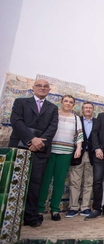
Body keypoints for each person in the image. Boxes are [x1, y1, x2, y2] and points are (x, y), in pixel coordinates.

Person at [8, 79, 58, 227]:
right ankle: (11, 216)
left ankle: (30, 216)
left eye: (45, 87)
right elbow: (16, 121)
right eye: (39, 86)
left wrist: (39, 142)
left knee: (36, 183)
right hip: (20, 146)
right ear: (33, 88)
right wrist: (31, 139)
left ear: (49, 90)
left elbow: (52, 127)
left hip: (40, 149)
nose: (42, 88)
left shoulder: (52, 108)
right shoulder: (21, 102)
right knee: (15, 181)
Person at [38, 95, 83, 221]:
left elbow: (79, 134)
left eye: (71, 102)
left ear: (73, 105)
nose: (68, 104)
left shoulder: (75, 118)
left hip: (66, 152)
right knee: (45, 181)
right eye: (66, 101)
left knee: (59, 182)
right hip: (50, 151)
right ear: (61, 102)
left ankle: (55, 210)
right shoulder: (54, 114)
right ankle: (39, 210)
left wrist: (78, 148)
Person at [65, 101, 97, 218]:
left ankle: (85, 207)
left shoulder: (97, 122)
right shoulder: (76, 120)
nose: (88, 109)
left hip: (91, 155)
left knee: (89, 182)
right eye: (86, 108)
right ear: (82, 109)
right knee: (75, 181)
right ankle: (73, 207)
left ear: (93, 110)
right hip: (78, 154)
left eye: (90, 108)